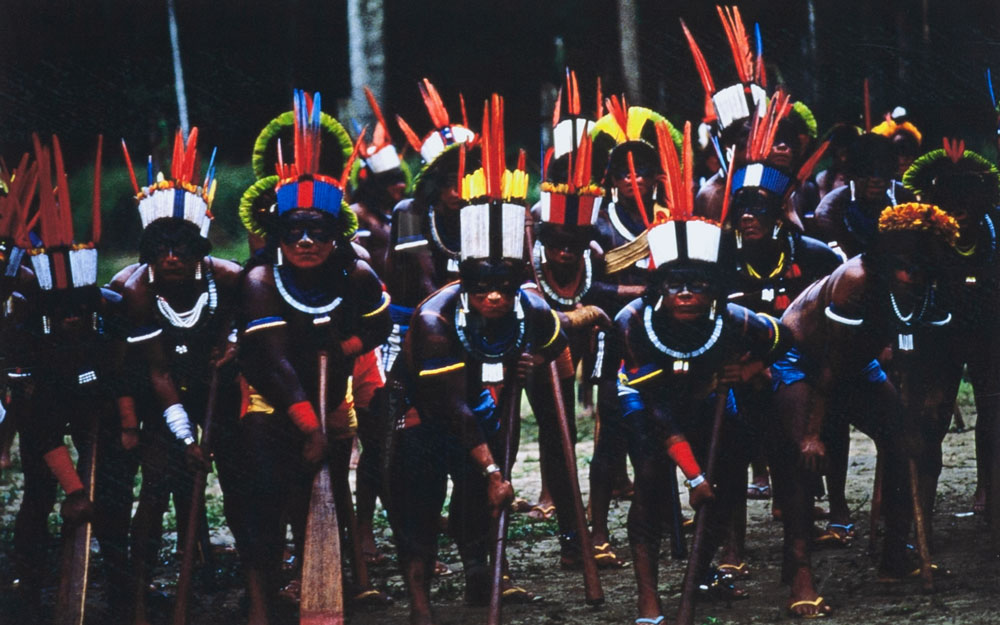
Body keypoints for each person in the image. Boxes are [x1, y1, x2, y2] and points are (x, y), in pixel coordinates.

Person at [386, 97, 585, 625]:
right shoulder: (433, 320)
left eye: (505, 287)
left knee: (476, 491)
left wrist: (533, 361)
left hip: (482, 389)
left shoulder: (531, 306)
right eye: (483, 289)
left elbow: (552, 342)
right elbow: (454, 410)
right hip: (425, 404)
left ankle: (481, 571)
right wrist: (497, 469)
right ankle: (421, 599)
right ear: (466, 286)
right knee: (421, 494)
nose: (495, 297)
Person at [608, 120, 792, 625]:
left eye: (696, 283)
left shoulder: (732, 318)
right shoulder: (632, 322)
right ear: (657, 289)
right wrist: (690, 471)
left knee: (727, 481)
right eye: (674, 284)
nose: (685, 293)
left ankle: (702, 565)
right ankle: (649, 598)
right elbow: (660, 408)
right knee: (648, 479)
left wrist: (748, 366)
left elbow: (784, 336)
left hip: (708, 398)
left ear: (713, 288)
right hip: (647, 404)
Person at [237, 90, 392, 625]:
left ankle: (324, 581)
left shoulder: (356, 274)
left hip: (334, 395)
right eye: (294, 231)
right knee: (267, 490)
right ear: (277, 234)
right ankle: (262, 596)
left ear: (335, 235)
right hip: (271, 400)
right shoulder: (260, 281)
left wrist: (347, 347)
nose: (306, 241)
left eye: (318, 231)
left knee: (325, 492)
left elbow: (380, 323)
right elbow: (275, 364)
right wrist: (308, 427)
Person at [770, 202, 958, 617]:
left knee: (910, 441)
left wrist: (925, 398)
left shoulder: (929, 283)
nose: (912, 275)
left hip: (858, 364)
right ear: (888, 256)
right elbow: (829, 364)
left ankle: (896, 556)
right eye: (905, 265)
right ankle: (800, 573)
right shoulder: (857, 280)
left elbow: (928, 345)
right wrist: (813, 434)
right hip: (804, 360)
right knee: (803, 457)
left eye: (921, 266)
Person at [114, 128, 244, 625]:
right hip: (154, 398)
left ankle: (226, 564)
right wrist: (186, 436)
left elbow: (251, 321)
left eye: (183, 248)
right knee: (159, 484)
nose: (172, 257)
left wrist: (234, 340)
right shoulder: (135, 291)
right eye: (161, 248)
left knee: (234, 479)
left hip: (217, 391)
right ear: (149, 251)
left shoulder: (229, 278)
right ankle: (140, 583)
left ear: (200, 251)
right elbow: (157, 370)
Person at [11, 135, 134, 621]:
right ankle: (28, 587)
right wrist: (74, 490)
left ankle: (124, 584)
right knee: (40, 494)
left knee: (113, 493)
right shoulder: (27, 333)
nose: (71, 320)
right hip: (47, 408)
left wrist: (126, 424)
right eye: (61, 313)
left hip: (99, 409)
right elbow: (38, 423)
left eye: (79, 312)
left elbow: (123, 373)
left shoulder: (110, 317)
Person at [718, 96, 842, 574]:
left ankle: (800, 541)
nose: (748, 217)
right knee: (728, 442)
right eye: (741, 210)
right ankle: (732, 548)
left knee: (794, 440)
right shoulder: (721, 260)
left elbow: (832, 308)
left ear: (777, 214)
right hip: (732, 366)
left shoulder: (811, 254)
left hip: (794, 363)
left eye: (759, 210)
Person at [901, 140, 1000, 549]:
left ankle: (991, 499)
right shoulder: (921, 238)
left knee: (994, 414)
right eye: (949, 202)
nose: (958, 210)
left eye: (966, 201)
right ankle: (919, 515)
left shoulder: (995, 232)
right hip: (936, 336)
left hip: (988, 334)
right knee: (932, 419)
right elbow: (902, 296)